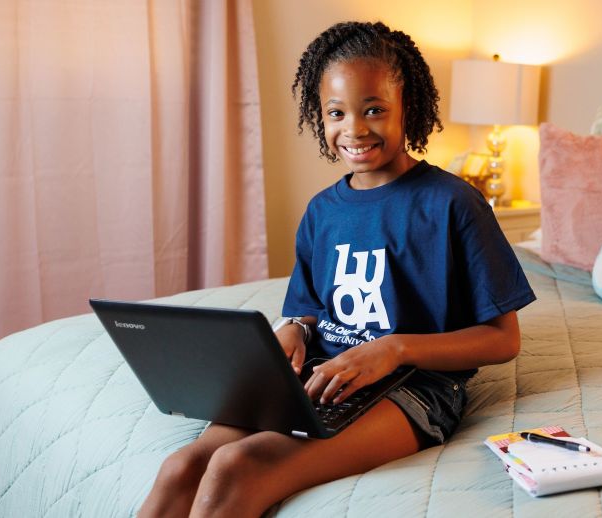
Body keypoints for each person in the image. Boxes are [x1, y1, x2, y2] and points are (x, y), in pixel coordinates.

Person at [137, 21, 536, 517]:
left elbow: (503, 339)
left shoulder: (453, 203)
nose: (355, 128)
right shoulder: (322, 211)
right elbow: (307, 309)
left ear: (406, 109)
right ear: (319, 117)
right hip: (320, 377)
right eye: (336, 113)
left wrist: (392, 349)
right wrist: (295, 332)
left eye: (374, 109)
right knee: (182, 466)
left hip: (413, 387)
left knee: (237, 465)